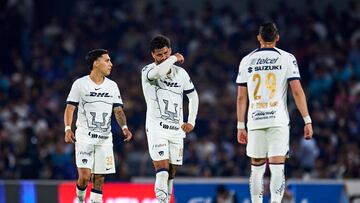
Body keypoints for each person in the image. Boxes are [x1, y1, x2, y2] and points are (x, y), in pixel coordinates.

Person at [236, 22, 313, 203]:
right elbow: (297, 91)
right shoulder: (287, 58)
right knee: (277, 167)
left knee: (256, 168)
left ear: (259, 38)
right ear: (277, 37)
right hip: (278, 120)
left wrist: (240, 125)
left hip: (255, 120)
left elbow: (241, 97)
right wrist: (307, 120)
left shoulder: (246, 60)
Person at [64, 49, 133, 203]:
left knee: (99, 179)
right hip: (84, 138)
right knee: (84, 177)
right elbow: (70, 108)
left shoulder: (112, 86)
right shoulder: (80, 84)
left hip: (104, 139)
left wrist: (124, 127)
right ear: (96, 63)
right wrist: (68, 129)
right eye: (107, 60)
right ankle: (81, 199)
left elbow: (118, 109)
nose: (111, 64)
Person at [141, 35, 199, 203]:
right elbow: (159, 71)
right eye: (159, 55)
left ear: (170, 50)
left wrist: (191, 121)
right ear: (153, 55)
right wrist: (174, 58)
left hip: (176, 130)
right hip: (156, 128)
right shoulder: (148, 71)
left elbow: (193, 97)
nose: (164, 57)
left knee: (172, 172)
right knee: (162, 168)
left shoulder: (181, 73)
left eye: (166, 53)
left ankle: (166, 200)